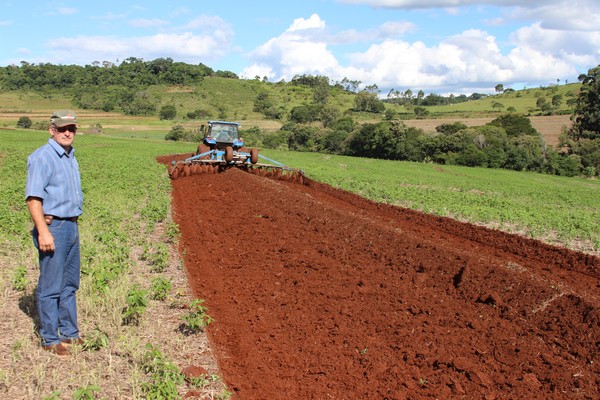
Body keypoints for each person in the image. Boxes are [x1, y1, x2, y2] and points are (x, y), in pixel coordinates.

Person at [26, 110, 84, 356]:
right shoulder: (42, 157)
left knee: (70, 284)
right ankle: (50, 338)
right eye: (62, 128)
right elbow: (33, 198)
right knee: (51, 285)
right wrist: (43, 231)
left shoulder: (70, 156)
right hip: (54, 228)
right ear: (51, 130)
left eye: (71, 128)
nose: (67, 132)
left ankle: (70, 332)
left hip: (71, 226)